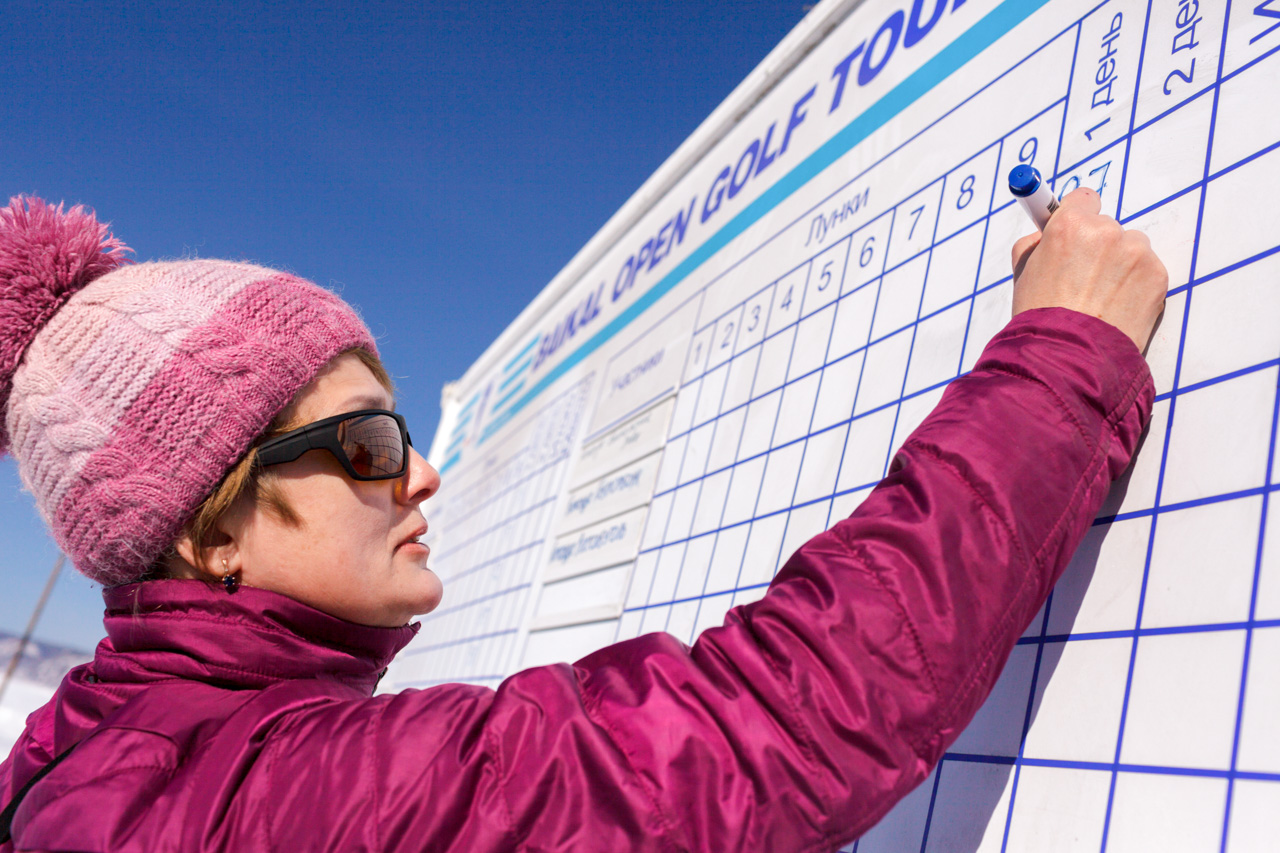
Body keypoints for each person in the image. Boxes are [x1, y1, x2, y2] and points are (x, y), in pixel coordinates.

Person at [0, 188, 1166, 852]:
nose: (421, 478)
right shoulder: (284, 796)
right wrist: (1060, 360)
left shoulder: (75, 764)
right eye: (366, 443)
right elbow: (754, 734)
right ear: (209, 533)